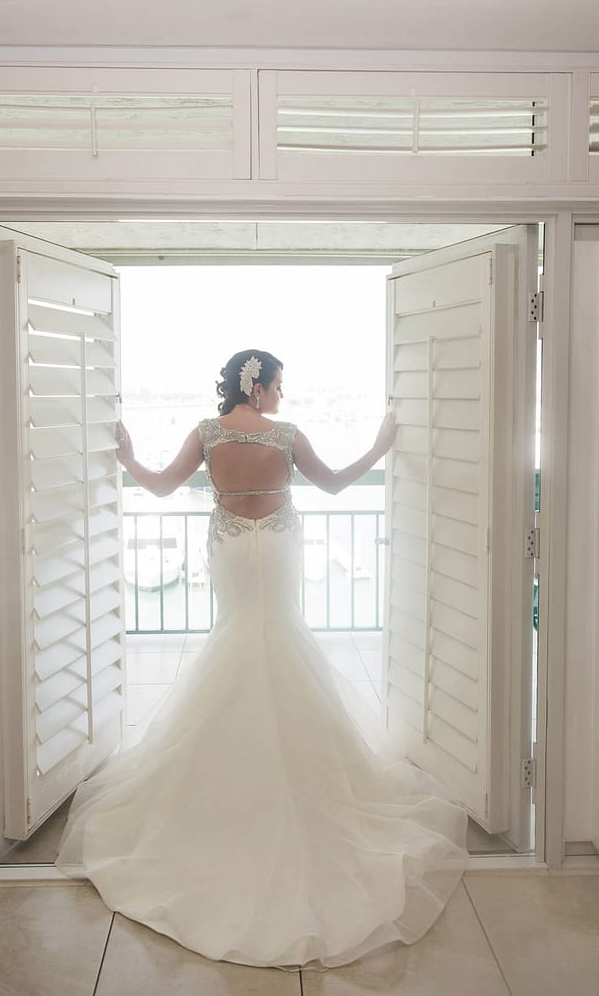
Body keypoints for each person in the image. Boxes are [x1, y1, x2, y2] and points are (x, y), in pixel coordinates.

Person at [56, 349, 468, 971]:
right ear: (262, 384)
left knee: (238, 632)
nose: (282, 393)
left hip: (228, 545)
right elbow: (332, 483)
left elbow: (162, 487)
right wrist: (382, 444)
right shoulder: (287, 435)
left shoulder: (207, 433)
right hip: (276, 544)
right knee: (277, 632)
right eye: (279, 384)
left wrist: (127, 455)